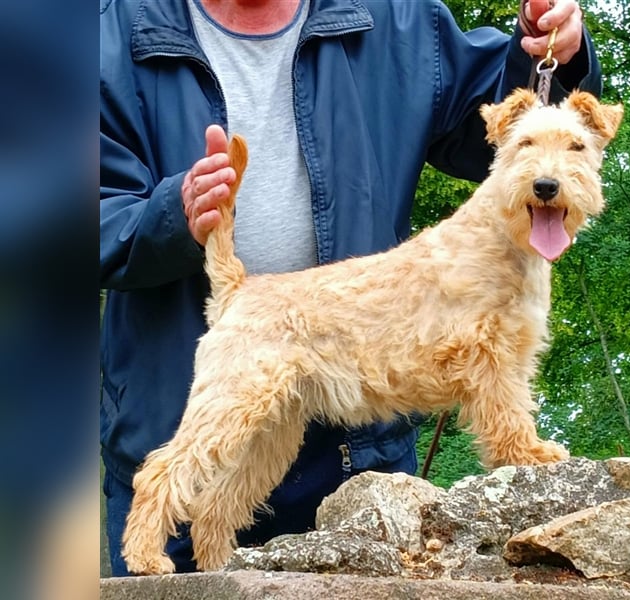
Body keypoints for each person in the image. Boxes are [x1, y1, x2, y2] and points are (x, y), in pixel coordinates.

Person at [100, 0, 601, 576]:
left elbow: (495, 108)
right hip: (240, 333)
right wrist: (169, 216)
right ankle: (146, 534)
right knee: (215, 439)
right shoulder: (108, 36)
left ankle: (214, 535)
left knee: (266, 443)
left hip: (363, 459)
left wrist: (553, 53)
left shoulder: (401, 20)